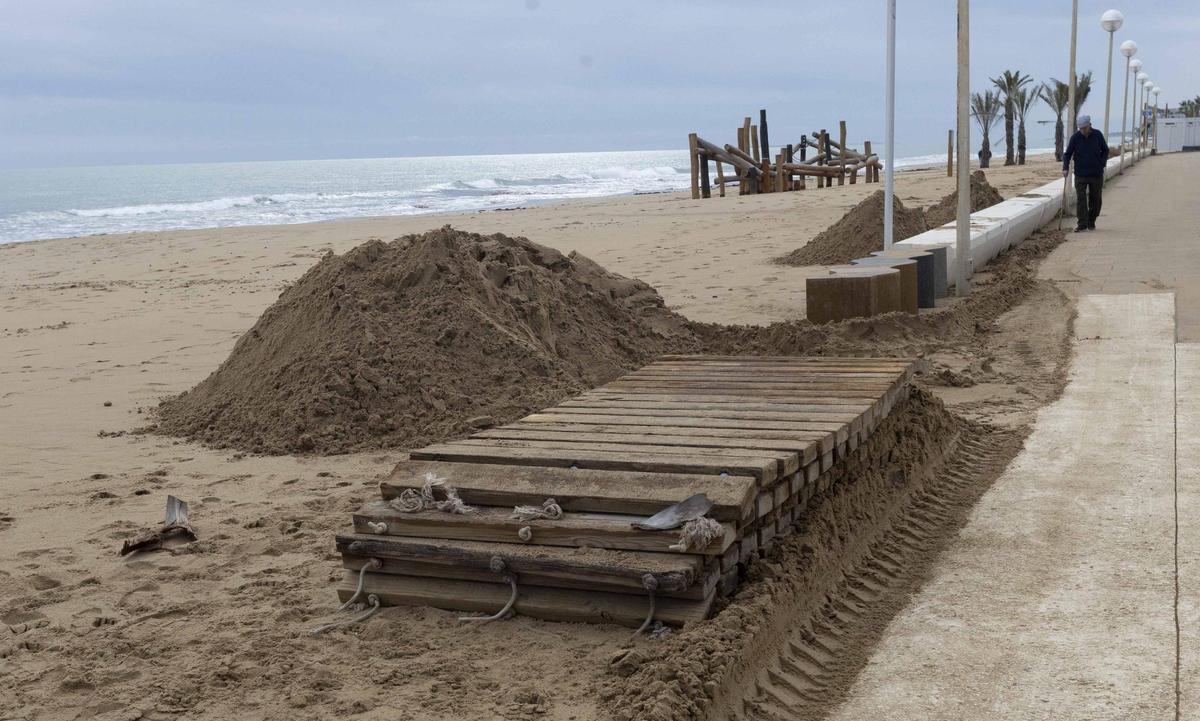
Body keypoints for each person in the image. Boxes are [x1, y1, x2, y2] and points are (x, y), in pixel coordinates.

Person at [1062, 114, 1110, 232]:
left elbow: (1105, 150)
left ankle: (1091, 221)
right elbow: (1067, 154)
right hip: (1080, 174)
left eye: (1084, 128)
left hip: (1096, 174)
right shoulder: (1075, 138)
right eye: (1080, 128)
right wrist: (1065, 167)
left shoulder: (1097, 135)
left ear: (1089, 125)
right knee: (1081, 200)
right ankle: (1082, 223)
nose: (1083, 130)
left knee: (1096, 199)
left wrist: (1102, 163)